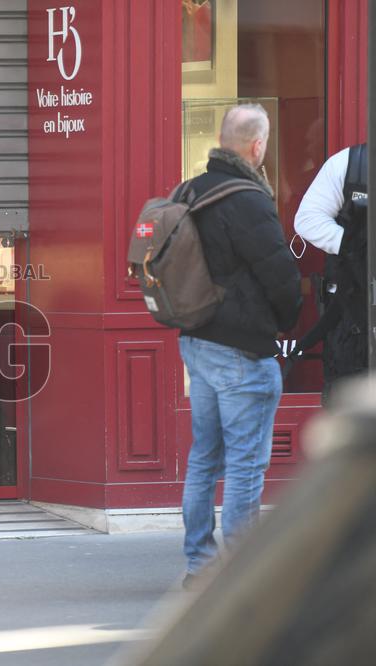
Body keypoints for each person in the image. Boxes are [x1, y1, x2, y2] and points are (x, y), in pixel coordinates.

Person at [178, 104, 302, 587]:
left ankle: (199, 565)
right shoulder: (247, 198)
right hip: (241, 351)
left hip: (197, 343)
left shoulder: (190, 191)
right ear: (257, 146)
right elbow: (280, 275)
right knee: (247, 461)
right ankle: (240, 578)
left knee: (204, 456)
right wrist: (287, 323)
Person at [293, 143, 369, 404]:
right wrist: (356, 248)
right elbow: (308, 219)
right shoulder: (351, 164)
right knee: (352, 420)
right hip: (354, 320)